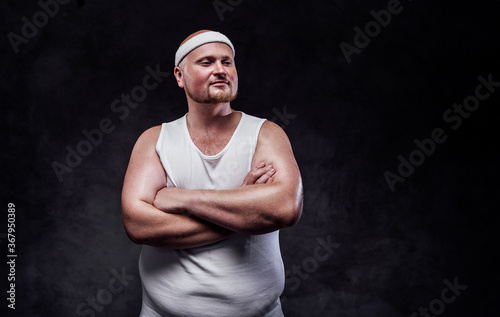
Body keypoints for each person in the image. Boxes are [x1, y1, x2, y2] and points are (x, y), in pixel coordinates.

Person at [121, 30, 303, 317]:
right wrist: (244, 207)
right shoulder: (154, 140)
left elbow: (284, 208)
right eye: (206, 63)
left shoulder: (266, 134)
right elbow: (137, 225)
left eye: (227, 62)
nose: (220, 70)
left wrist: (184, 199)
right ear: (179, 76)